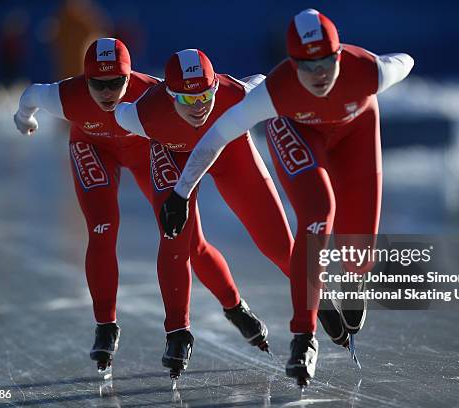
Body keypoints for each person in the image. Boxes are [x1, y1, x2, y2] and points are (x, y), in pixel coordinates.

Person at [157, 9, 415, 386]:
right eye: (307, 66)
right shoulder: (275, 92)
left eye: (327, 61)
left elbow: (405, 61)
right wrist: (180, 193)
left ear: (340, 55)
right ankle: (304, 338)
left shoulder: (369, 71)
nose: (320, 74)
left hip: (356, 130)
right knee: (318, 212)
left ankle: (355, 281)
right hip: (297, 130)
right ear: (291, 64)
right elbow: (216, 135)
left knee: (358, 251)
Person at [13, 38, 270, 379]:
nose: (107, 93)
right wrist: (23, 119)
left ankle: (235, 306)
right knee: (102, 228)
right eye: (98, 85)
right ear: (83, 79)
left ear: (130, 75)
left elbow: (195, 110)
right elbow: (31, 94)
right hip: (92, 148)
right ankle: (106, 325)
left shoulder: (152, 95)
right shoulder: (65, 96)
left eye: (116, 82)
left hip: (147, 151)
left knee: (187, 239)